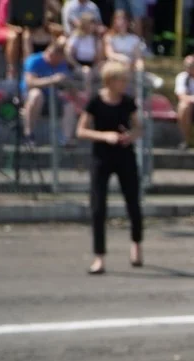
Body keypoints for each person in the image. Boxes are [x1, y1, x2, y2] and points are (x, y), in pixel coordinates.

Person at [77, 61, 144, 275]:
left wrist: (129, 137)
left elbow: (138, 128)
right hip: (102, 157)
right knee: (98, 208)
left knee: (133, 202)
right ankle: (99, 257)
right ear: (110, 81)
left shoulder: (128, 102)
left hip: (125, 155)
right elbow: (82, 130)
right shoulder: (96, 101)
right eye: (121, 79)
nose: (125, 83)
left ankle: (136, 244)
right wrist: (105, 136)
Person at [21, 38, 77, 145]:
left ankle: (66, 139)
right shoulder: (34, 60)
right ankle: (28, 134)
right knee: (36, 94)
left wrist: (67, 83)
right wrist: (52, 80)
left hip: (53, 97)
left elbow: (68, 86)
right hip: (30, 96)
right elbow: (29, 83)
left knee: (69, 105)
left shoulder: (62, 63)